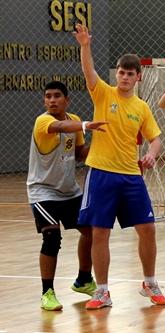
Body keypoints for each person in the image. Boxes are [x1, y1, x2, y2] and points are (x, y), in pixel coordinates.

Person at [73, 23, 165, 310]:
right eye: (121, 72)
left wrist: (151, 154)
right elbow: (89, 72)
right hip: (101, 173)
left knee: (147, 228)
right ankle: (102, 291)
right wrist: (85, 45)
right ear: (117, 74)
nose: (124, 77)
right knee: (100, 232)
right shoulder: (103, 93)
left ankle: (149, 283)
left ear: (138, 77)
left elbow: (156, 139)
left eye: (129, 74)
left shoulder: (142, 108)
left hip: (131, 176)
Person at [27, 80, 107, 311]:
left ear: (66, 100)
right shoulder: (43, 121)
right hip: (43, 191)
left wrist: (104, 143)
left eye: (57, 96)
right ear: (44, 101)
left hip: (69, 191)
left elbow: (81, 153)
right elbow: (59, 128)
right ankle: (47, 293)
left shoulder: (73, 120)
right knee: (52, 238)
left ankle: (83, 280)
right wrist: (87, 125)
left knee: (92, 233)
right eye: (48, 96)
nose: (52, 100)